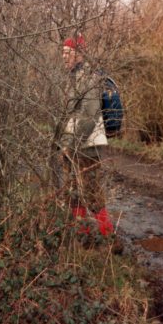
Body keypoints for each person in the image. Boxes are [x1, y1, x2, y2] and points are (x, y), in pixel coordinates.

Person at [59, 35, 115, 241]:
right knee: (73, 190)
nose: (64, 57)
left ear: (79, 54)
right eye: (62, 52)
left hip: (87, 145)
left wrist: (71, 144)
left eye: (68, 52)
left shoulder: (88, 77)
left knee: (90, 191)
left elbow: (89, 115)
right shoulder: (74, 76)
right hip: (75, 144)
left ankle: (108, 236)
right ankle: (81, 234)